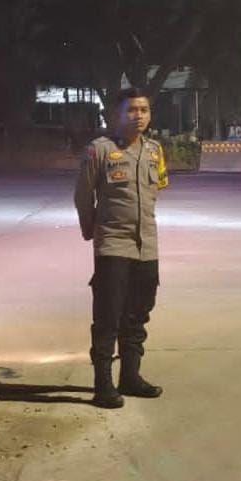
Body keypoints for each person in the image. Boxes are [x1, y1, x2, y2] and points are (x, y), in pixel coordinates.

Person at [74, 87, 170, 409]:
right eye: (131, 110)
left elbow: (156, 190)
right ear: (116, 115)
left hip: (147, 246)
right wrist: (91, 230)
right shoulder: (99, 151)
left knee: (138, 314)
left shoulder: (154, 151)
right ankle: (103, 385)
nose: (138, 116)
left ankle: (131, 377)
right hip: (114, 244)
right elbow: (83, 196)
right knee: (108, 316)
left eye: (144, 110)